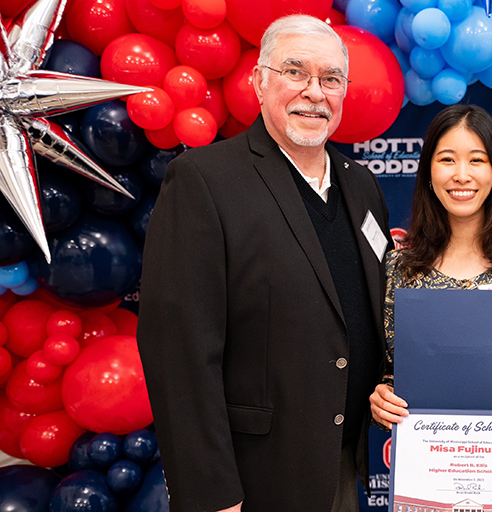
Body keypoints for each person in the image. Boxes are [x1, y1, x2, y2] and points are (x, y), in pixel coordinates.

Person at [136, 15, 390, 512]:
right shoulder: (203, 181)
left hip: (341, 464)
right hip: (251, 477)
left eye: (331, 79)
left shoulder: (361, 185)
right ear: (258, 80)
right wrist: (212, 493)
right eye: (295, 72)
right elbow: (179, 353)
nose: (314, 92)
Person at [369, 104, 492, 430]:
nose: (461, 174)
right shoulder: (396, 270)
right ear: (428, 171)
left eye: (477, 160)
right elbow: (382, 371)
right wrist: (379, 397)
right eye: (447, 159)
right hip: (427, 462)